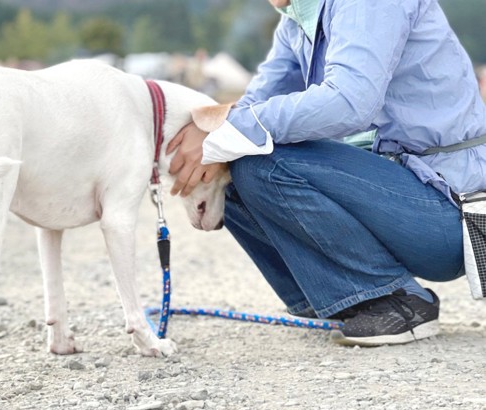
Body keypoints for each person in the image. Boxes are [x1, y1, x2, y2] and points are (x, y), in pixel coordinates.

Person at [167, 0, 486, 346]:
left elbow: (350, 102)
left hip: (452, 210)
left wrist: (224, 132)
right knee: (232, 159)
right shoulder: (298, 20)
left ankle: (396, 303)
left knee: (257, 160)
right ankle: (344, 300)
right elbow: (256, 104)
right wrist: (212, 135)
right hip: (404, 197)